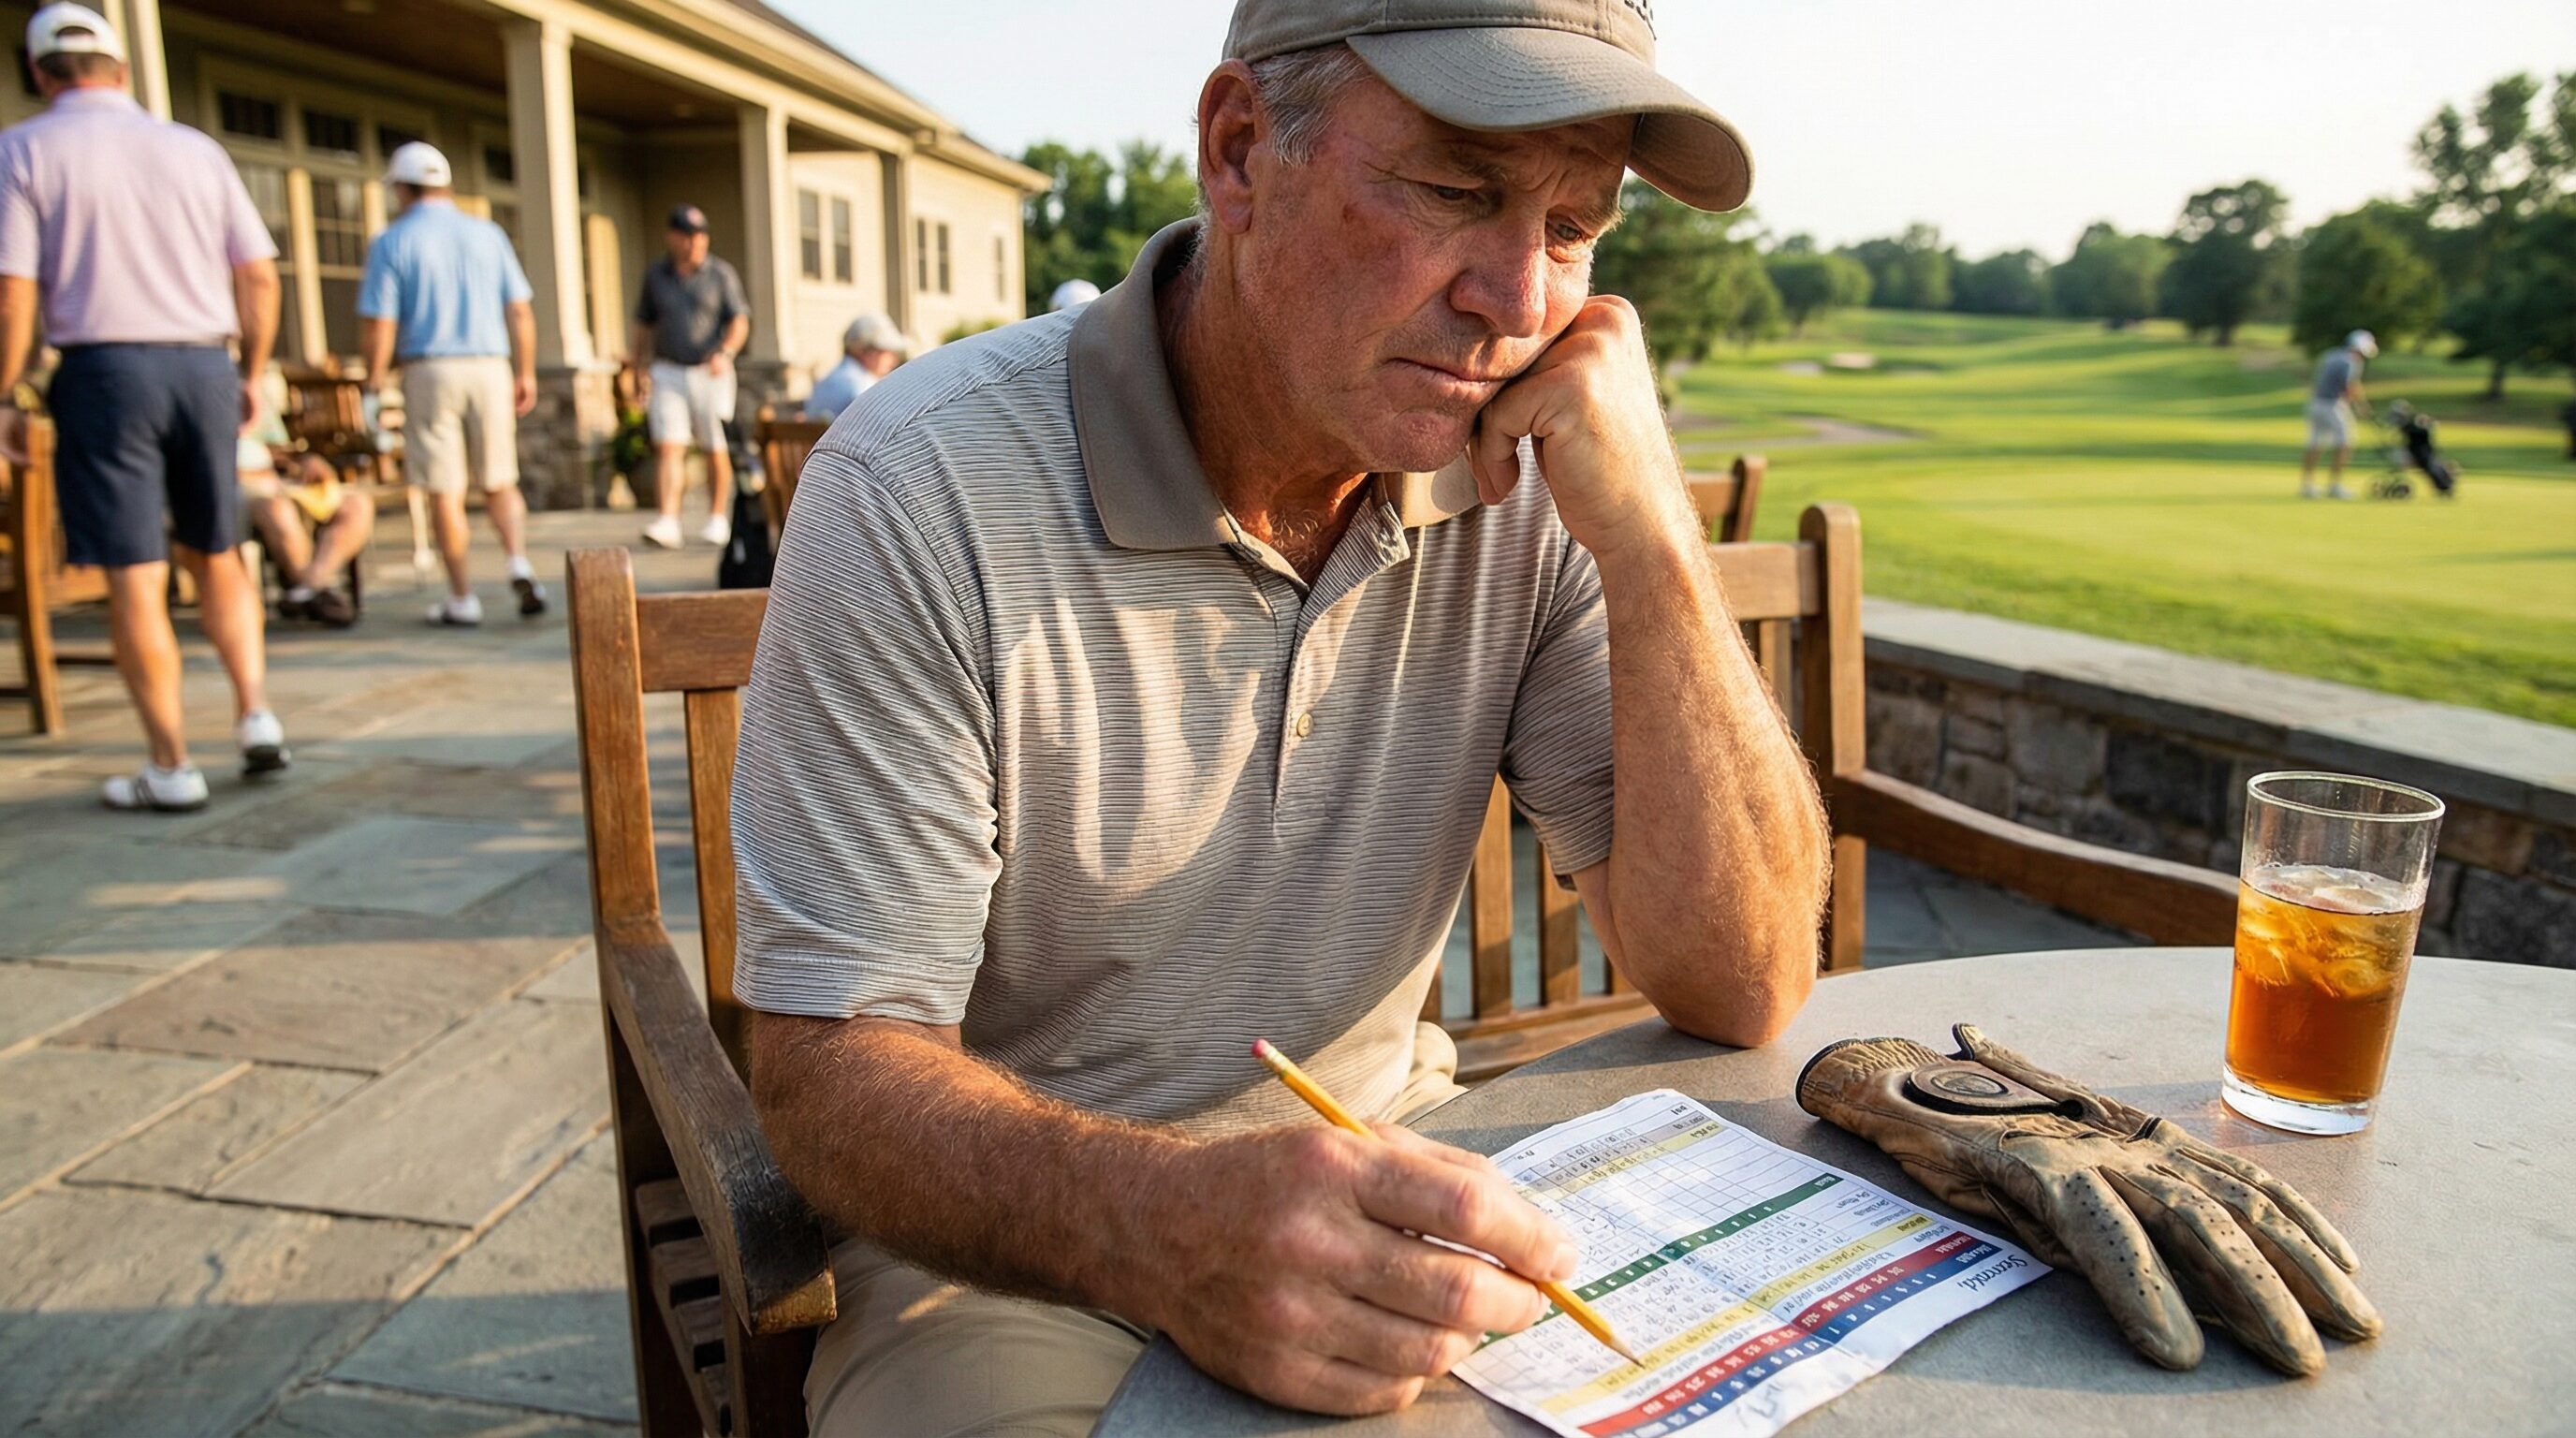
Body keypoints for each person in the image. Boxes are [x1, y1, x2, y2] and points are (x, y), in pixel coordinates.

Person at [730, 2, 1822, 1432]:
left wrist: (1658, 546)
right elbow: (829, 1073)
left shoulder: (1538, 481)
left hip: (1406, 1170)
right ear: (1240, 150)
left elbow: (1740, 984)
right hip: (1014, 1249)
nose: (1519, 299)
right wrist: (1168, 1222)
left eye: (1574, 226)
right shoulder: (922, 484)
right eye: (1457, 191)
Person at [0, 3, 287, 812]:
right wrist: (253, 372)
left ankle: (171, 765)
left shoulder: (21, 149)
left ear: (38, 73)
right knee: (219, 551)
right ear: (120, 71)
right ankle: (255, 716)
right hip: (204, 364)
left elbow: (12, 296)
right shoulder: (195, 149)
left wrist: (3, 393)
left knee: (135, 574)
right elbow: (260, 275)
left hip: (104, 369)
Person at [358, 140, 544, 624]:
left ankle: (462, 596)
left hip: (431, 368)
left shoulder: (392, 240)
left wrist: (373, 383)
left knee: (445, 488)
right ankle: (517, 560)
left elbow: (381, 323)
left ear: (402, 187)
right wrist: (525, 370)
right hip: (490, 365)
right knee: (500, 478)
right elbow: (520, 309)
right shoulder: (488, 233)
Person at [629, 204, 748, 550]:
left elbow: (739, 320)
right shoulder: (656, 275)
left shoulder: (720, 274)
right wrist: (637, 368)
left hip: (710, 370)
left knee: (716, 445)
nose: (695, 243)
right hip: (668, 369)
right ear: (673, 237)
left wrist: (726, 352)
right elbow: (643, 324)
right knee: (669, 445)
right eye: (688, 236)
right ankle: (668, 519)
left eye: (700, 236)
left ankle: (716, 518)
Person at [238, 402, 372, 628]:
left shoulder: (251, 395)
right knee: (276, 509)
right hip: (239, 487)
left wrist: (306, 460)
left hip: (282, 479)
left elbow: (281, 447)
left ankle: (309, 587)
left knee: (357, 504)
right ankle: (313, 591)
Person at [2301, 328, 2376, 500]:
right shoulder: (2351, 361)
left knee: (2315, 443)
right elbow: (2350, 386)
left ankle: (2308, 485)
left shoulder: (2330, 355)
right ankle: (2334, 486)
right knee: (2345, 443)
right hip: (2332, 405)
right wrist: (2362, 407)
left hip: (2315, 403)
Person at [801, 313, 909, 422]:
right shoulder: (864, 387)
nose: (893, 360)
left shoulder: (825, 383)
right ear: (865, 351)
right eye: (887, 352)